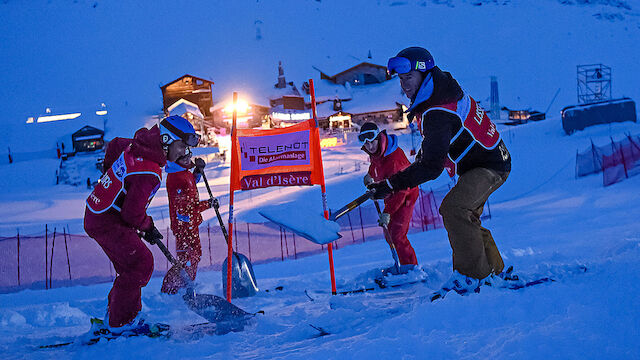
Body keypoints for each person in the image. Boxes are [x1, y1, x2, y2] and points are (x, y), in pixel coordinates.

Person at [367, 47, 511, 290]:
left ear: (424, 73)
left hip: (489, 166)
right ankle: (492, 271)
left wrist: (391, 184)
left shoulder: (437, 110)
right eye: (401, 79)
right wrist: (395, 182)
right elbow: (430, 150)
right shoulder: (437, 94)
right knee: (466, 215)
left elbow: (432, 167)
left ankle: (473, 277)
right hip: (483, 163)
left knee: (454, 209)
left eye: (408, 77)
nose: (404, 85)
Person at [84, 115, 200, 332]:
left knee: (130, 267)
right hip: (107, 220)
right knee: (140, 264)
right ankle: (121, 323)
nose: (183, 152)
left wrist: (111, 176)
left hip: (100, 212)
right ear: (166, 139)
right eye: (181, 145)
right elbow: (132, 214)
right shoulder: (149, 171)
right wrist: (147, 227)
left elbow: (115, 144)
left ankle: (119, 316)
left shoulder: (137, 146)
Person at [359, 122, 419, 273]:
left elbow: (401, 190)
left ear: (379, 138)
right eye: (366, 143)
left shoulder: (394, 159)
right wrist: (370, 174)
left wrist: (388, 212)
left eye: (372, 141)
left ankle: (411, 268)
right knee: (390, 234)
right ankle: (401, 265)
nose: (370, 146)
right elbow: (376, 165)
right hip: (391, 193)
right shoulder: (377, 152)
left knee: (398, 234)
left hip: (405, 195)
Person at [161, 133, 215, 294]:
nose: (188, 160)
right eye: (185, 158)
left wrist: (198, 172)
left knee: (194, 255)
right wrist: (208, 204)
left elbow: (191, 184)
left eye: (189, 156)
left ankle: (184, 285)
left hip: (190, 223)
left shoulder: (183, 174)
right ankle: (175, 288)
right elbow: (185, 208)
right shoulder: (176, 178)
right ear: (176, 160)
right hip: (184, 224)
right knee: (188, 258)